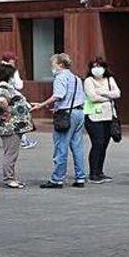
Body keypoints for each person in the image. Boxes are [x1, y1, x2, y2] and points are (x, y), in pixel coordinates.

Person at [32, 53, 88, 189]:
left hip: (66, 114)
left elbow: (58, 95)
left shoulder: (60, 77)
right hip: (79, 112)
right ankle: (80, 177)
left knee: (61, 146)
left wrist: (41, 105)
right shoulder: (76, 78)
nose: (52, 67)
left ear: (61, 65)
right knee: (77, 146)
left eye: (53, 64)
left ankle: (57, 179)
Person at [0, 63, 33, 189]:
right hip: (10, 125)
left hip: (11, 125)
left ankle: (12, 177)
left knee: (11, 152)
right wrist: (10, 109)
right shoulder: (3, 87)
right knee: (11, 153)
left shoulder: (2, 86)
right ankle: (9, 178)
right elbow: (2, 100)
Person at [83, 57, 121, 184]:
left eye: (99, 66)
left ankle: (100, 172)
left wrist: (102, 93)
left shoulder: (110, 79)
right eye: (94, 66)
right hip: (94, 117)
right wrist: (108, 96)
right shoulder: (88, 81)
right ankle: (93, 173)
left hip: (109, 116)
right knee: (97, 143)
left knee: (104, 144)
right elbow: (92, 97)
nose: (97, 69)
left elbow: (117, 93)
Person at [0, 51, 35, 152]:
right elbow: (19, 85)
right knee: (17, 118)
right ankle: (23, 141)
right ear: (10, 60)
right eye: (14, 60)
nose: (15, 62)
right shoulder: (12, 70)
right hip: (8, 95)